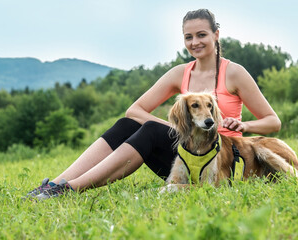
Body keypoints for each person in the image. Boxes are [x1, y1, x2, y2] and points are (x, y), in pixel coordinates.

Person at [25, 9, 281, 200]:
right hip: (184, 154)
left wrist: (244, 124)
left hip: (219, 156)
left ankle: (71, 189)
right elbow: (134, 111)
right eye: (188, 37)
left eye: (202, 35)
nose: (195, 42)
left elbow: (273, 121)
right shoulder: (180, 73)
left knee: (148, 130)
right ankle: (54, 184)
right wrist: (179, 130)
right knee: (127, 124)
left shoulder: (235, 73)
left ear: (216, 35)